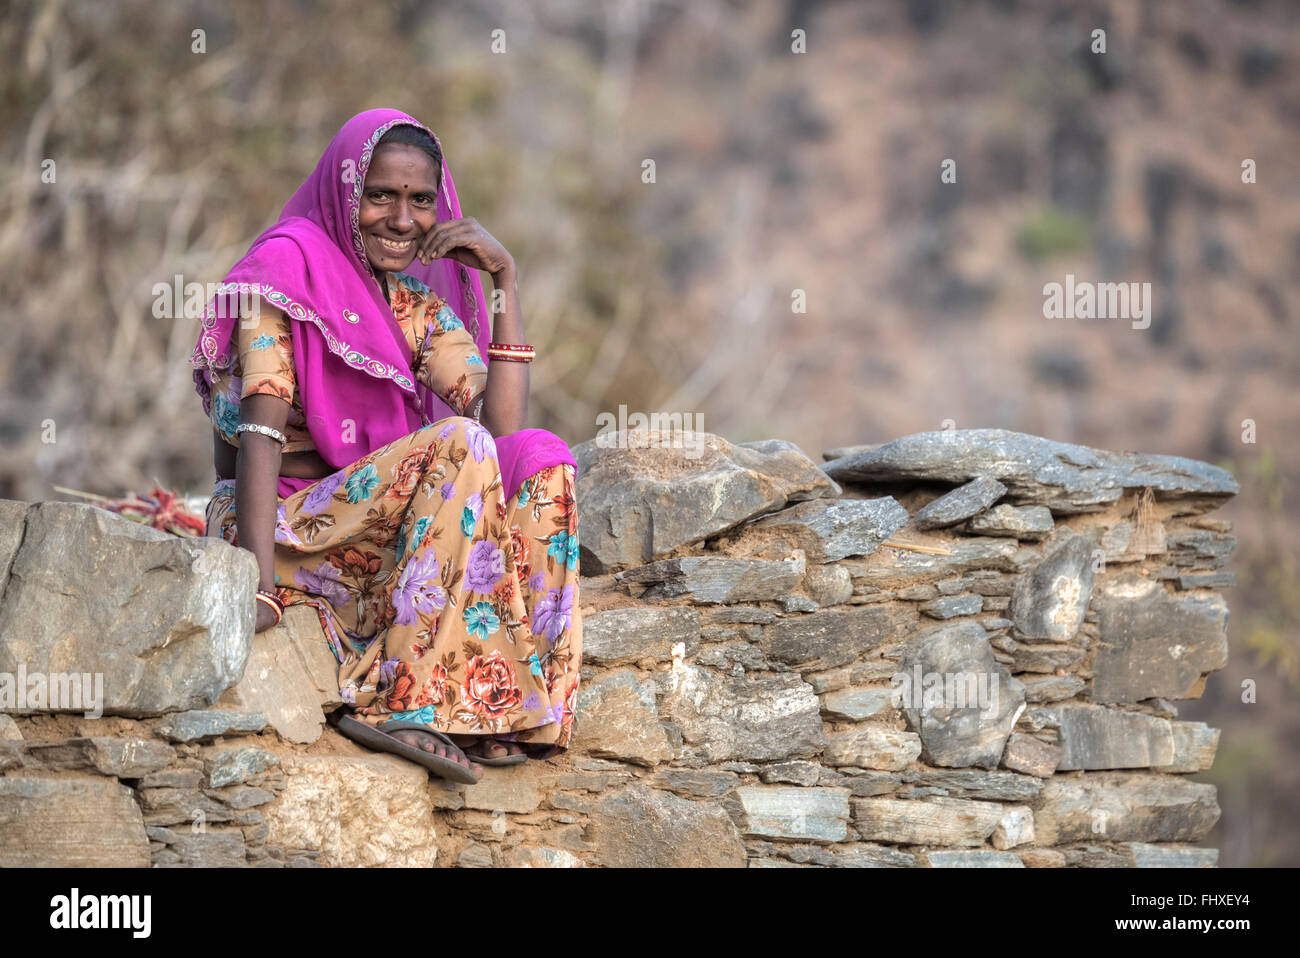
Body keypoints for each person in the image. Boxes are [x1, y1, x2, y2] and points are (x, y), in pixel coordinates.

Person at [190, 109, 582, 783]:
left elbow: (505, 429)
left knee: (543, 459)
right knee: (459, 445)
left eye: (420, 201)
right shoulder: (287, 268)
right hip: (286, 528)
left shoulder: (409, 305)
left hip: (379, 537)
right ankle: (403, 699)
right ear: (346, 191)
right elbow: (258, 433)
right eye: (381, 196)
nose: (401, 220)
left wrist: (505, 283)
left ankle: (508, 702)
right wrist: (252, 585)